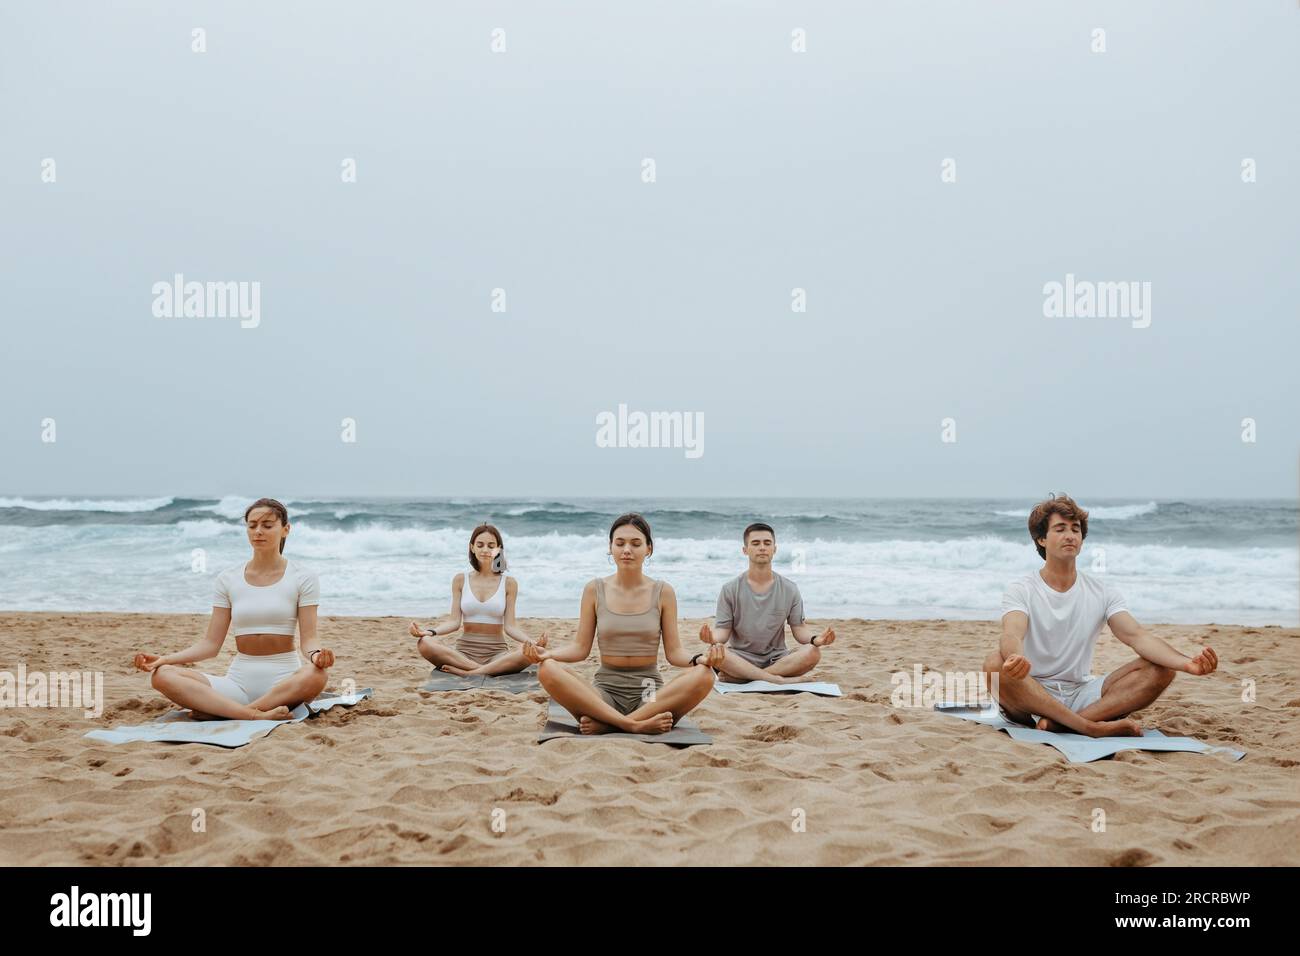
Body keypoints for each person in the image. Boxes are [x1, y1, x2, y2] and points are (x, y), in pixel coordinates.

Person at [983, 493, 1219, 738]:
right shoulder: (1022, 589)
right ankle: (1088, 727)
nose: (1070, 535)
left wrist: (1186, 664)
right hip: (1030, 693)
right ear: (1041, 539)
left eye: (1075, 529)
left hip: (1081, 693)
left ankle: (1065, 724)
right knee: (993, 663)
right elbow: (1012, 632)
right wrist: (1015, 659)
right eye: (1060, 529)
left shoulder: (1102, 591)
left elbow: (1137, 636)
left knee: (1162, 669)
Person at [133, 498, 333, 720]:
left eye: (267, 525)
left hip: (284, 683)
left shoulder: (303, 577)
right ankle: (251, 715)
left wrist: (317, 656)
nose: (258, 531)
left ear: (285, 530)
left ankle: (226, 712)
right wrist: (165, 659)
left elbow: (309, 641)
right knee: (162, 675)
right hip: (237, 684)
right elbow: (210, 645)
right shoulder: (228, 578)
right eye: (252, 525)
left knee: (317, 676)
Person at [525, 512, 722, 734]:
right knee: (547, 669)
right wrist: (547, 655)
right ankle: (633, 725)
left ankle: (610, 724)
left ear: (649, 549)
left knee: (705, 674)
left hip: (648, 692)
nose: (627, 550)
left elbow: (674, 653)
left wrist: (701, 659)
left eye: (636, 544)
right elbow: (580, 649)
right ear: (611, 547)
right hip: (604, 692)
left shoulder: (663, 592)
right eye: (620, 543)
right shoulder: (594, 589)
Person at [700, 521, 836, 683]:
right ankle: (778, 680)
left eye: (767, 543)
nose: (762, 547)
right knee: (716, 651)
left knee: (813, 652)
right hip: (740, 658)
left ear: (774, 549)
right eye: (755, 543)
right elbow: (722, 632)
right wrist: (712, 638)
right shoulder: (730, 589)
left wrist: (816, 640)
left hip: (777, 659)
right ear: (745, 550)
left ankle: (747, 677)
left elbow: (799, 629)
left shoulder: (789, 588)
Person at [407, 523, 547, 676]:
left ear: (498, 549)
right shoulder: (460, 580)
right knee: (425, 643)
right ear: (472, 547)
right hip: (463, 654)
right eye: (480, 545)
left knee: (537, 651)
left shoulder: (509, 583)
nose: (485, 550)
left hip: (497, 655)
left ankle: (469, 673)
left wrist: (532, 643)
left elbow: (510, 627)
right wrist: (428, 632)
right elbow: (454, 622)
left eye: (491, 545)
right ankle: (479, 670)